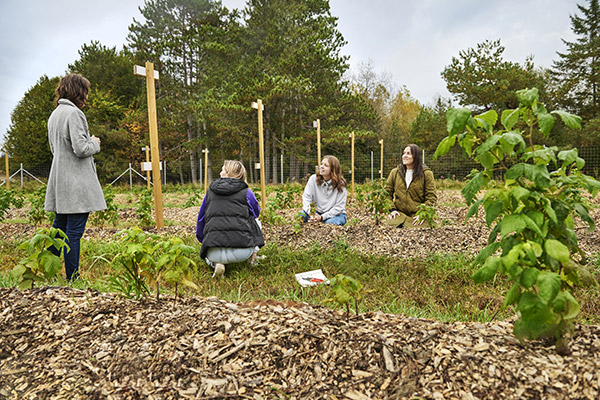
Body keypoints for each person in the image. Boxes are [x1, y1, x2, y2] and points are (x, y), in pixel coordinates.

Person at [44, 73, 106, 281]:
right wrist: (94, 142)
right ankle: (73, 278)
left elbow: (56, 149)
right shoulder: (74, 114)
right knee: (74, 233)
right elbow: (80, 149)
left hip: (60, 180)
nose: (87, 97)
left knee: (58, 229)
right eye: (85, 92)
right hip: (76, 183)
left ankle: (49, 272)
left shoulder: (55, 115)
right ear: (78, 91)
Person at [195, 160, 265, 278]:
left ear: (227, 174)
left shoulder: (210, 192)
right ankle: (252, 260)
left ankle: (216, 263)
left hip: (214, 251)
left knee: (211, 254)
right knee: (256, 222)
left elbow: (201, 218)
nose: (220, 172)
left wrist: (204, 241)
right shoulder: (247, 192)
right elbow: (256, 212)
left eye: (222, 170)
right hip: (242, 252)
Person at [385, 144, 437, 228]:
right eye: (404, 153)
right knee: (391, 226)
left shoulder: (427, 174)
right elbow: (386, 193)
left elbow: (431, 196)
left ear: (416, 156)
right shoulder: (395, 172)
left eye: (408, 153)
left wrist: (423, 213)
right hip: (399, 214)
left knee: (423, 228)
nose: (404, 156)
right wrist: (392, 210)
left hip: (417, 214)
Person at [301, 155, 347, 226]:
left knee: (330, 224)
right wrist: (312, 214)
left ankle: (322, 223)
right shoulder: (313, 179)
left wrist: (322, 217)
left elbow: (339, 207)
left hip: (335, 215)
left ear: (333, 169)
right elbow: (306, 198)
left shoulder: (341, 184)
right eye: (321, 164)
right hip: (316, 213)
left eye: (326, 165)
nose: (321, 166)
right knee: (300, 217)